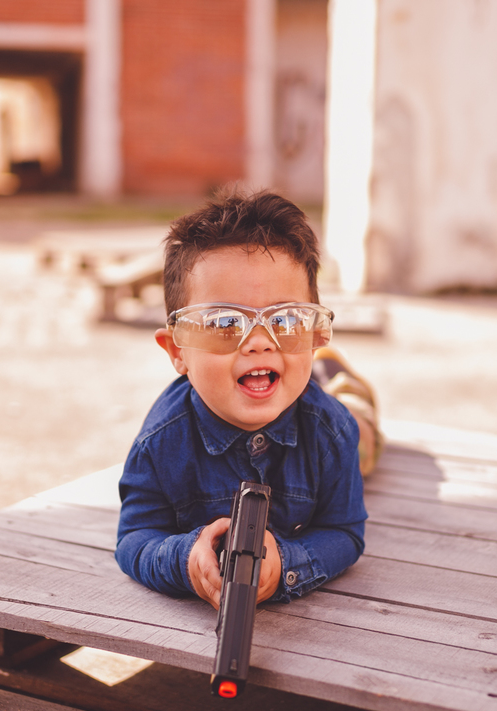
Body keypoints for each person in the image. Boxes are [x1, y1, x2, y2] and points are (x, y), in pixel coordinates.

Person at [115, 189, 382, 608]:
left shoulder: (333, 431)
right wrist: (185, 560)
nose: (259, 342)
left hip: (347, 424)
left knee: (363, 429)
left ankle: (341, 377)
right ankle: (330, 369)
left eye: (287, 320)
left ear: (313, 332)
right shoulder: (160, 444)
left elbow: (345, 532)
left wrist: (289, 565)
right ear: (177, 351)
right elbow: (135, 540)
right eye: (224, 322)